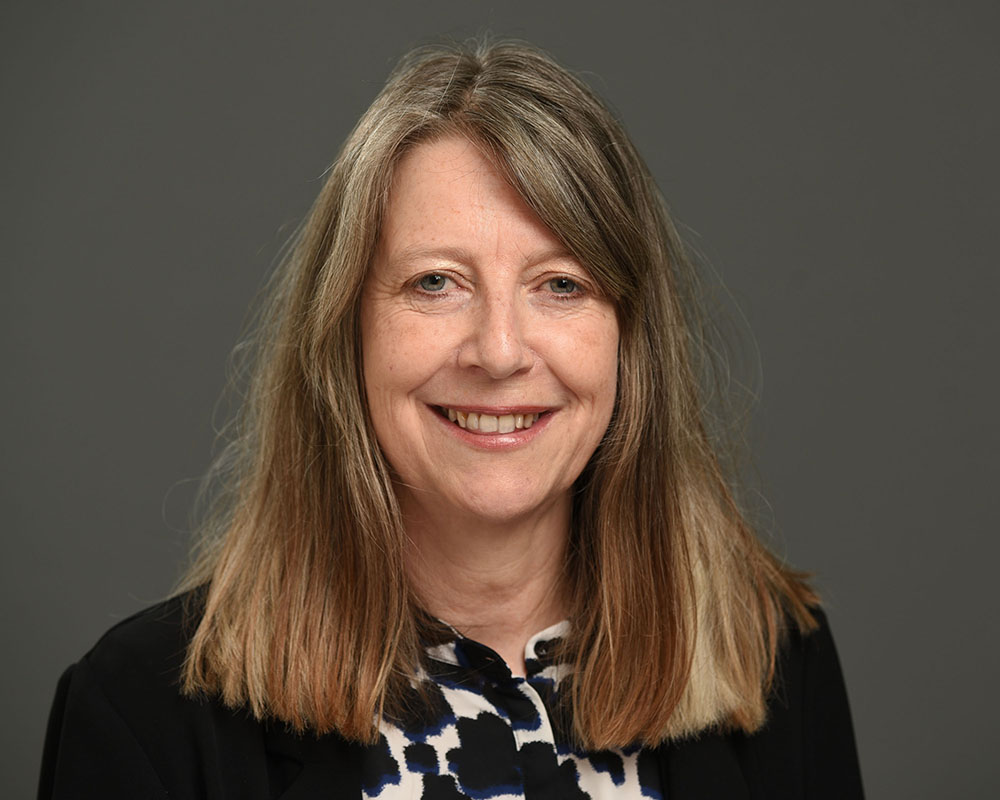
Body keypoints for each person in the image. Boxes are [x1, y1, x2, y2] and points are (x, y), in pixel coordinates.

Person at [39, 40, 864, 799]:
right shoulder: (141, 713)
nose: (500, 352)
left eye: (561, 284)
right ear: (347, 332)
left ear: (629, 341)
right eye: (436, 282)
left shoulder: (771, 658)